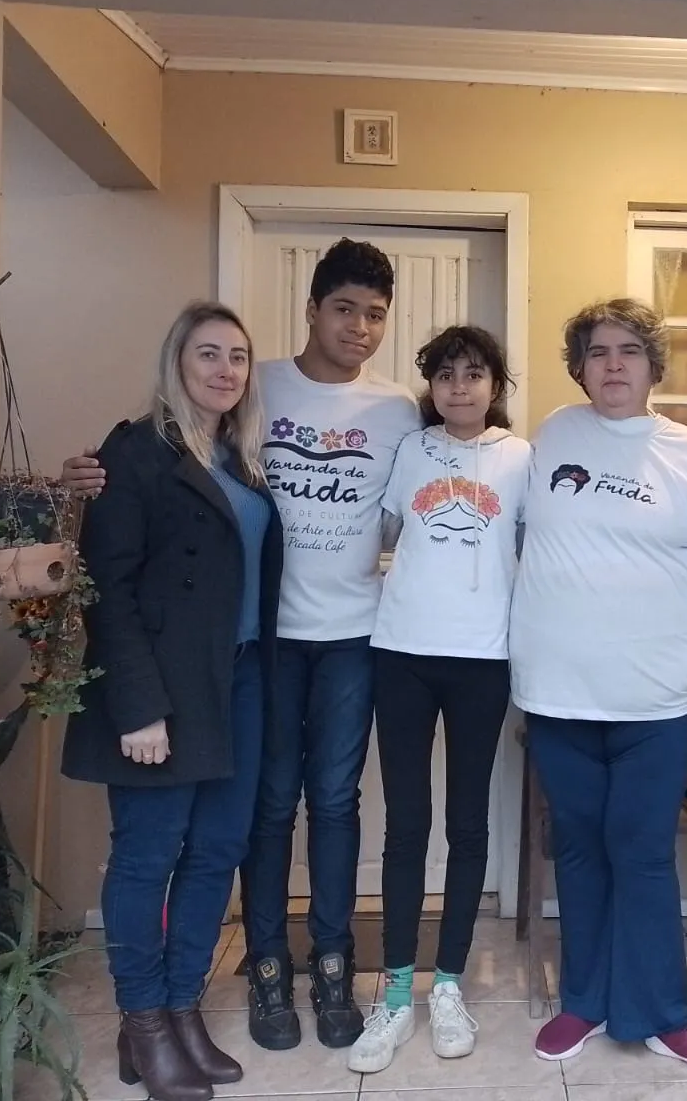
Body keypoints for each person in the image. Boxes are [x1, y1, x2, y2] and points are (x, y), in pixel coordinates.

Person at [64, 239, 421, 1051]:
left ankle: (331, 962)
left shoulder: (399, 408)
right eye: (344, 308)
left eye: (374, 315)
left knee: (331, 803)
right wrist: (87, 475)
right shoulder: (258, 389)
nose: (359, 327)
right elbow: (151, 493)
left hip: (349, 637)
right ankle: (262, 969)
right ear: (312, 309)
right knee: (262, 809)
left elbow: (445, 473)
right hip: (263, 647)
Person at [508, 298, 687, 1082]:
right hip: (558, 692)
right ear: (580, 368)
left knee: (642, 855)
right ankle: (584, 1000)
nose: (613, 364)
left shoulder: (686, 452)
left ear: (652, 367)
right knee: (579, 849)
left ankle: (667, 1017)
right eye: (598, 352)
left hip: (655, 698)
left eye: (629, 351)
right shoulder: (551, 436)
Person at [61, 302, 282, 1101]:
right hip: (163, 687)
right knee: (148, 857)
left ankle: (182, 1009)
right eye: (208, 354)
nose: (225, 370)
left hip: (239, 681)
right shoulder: (136, 453)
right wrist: (138, 707)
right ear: (177, 363)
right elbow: (108, 589)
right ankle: (144, 1023)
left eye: (238, 357)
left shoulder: (240, 457)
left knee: (217, 850)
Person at [347, 324, 531, 1074]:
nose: (460, 386)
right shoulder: (411, 451)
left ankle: (448, 981)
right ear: (431, 386)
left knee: (466, 822)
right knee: (406, 824)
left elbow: (537, 551)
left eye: (474, 373)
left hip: (483, 659)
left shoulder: (521, 458)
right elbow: (378, 532)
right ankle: (395, 991)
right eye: (446, 374)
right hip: (402, 654)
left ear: (495, 385)